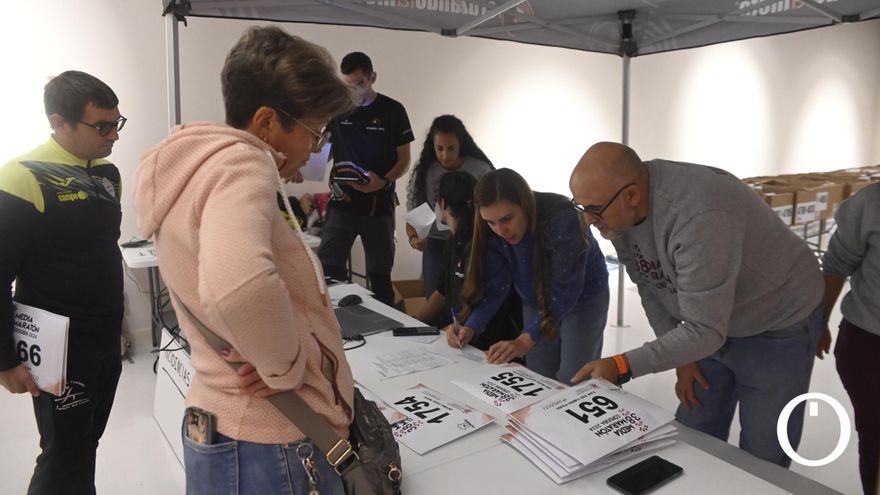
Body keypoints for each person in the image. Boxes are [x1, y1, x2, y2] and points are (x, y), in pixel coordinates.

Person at [133, 27, 355, 494]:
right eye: (314, 134)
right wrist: (286, 367)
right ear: (267, 122)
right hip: (267, 439)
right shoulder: (244, 164)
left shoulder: (194, 166)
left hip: (222, 421)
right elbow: (241, 284)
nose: (314, 152)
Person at [569, 142, 824, 468]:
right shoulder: (617, 213)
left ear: (631, 195)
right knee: (695, 431)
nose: (589, 220)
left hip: (777, 318)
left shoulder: (700, 213)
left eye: (594, 209)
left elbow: (705, 329)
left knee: (764, 454)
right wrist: (682, 358)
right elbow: (651, 283)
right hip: (710, 321)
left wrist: (622, 365)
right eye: (580, 207)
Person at [0, 70, 126, 494]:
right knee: (62, 450)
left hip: (105, 336)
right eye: (102, 126)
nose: (114, 135)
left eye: (117, 123)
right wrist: (3, 359)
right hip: (58, 345)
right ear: (60, 122)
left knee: (86, 441)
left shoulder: (109, 174)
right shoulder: (20, 177)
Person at [449, 168, 610, 383]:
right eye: (491, 222)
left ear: (525, 204)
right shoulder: (491, 228)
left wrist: (523, 342)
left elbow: (565, 292)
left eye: (507, 219)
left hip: (583, 298)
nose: (500, 231)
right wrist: (470, 326)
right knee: (537, 374)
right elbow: (495, 288)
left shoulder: (564, 218)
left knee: (573, 378)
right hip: (535, 296)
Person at [318, 51, 414, 305]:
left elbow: (404, 159)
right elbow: (323, 153)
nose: (354, 92)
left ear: (372, 77)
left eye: (359, 84)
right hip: (342, 202)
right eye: (347, 86)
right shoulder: (337, 111)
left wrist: (382, 181)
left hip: (378, 204)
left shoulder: (393, 110)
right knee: (329, 267)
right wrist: (307, 157)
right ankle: (340, 327)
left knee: (380, 275)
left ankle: (385, 331)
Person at [415, 171, 521, 350]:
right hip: (459, 335)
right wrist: (414, 323)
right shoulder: (453, 242)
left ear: (442, 204)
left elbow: (485, 301)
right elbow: (441, 292)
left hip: (482, 342)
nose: (500, 229)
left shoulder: (483, 245)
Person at [821, 182, 879, 495]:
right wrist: (819, 322)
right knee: (875, 439)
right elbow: (836, 264)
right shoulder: (871, 203)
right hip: (870, 346)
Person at [405, 115, 494, 298]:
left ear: (461, 144)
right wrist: (414, 238)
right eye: (439, 149)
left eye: (451, 148)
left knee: (469, 297)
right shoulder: (425, 172)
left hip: (474, 242)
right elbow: (413, 212)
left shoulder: (481, 170)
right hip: (436, 243)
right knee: (434, 296)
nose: (445, 156)